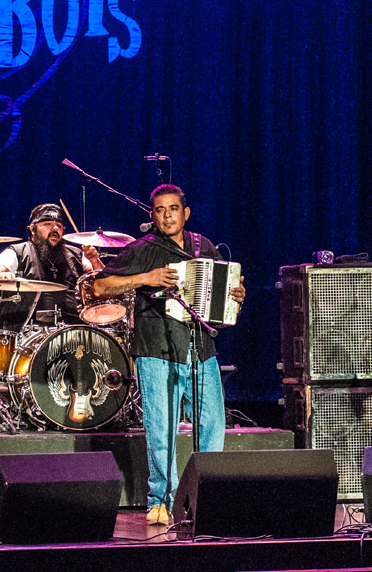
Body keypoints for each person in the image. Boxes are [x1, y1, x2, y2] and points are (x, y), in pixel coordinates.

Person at [91, 184, 246, 525]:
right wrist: (146, 277)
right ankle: (161, 498)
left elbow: (224, 294)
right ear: (153, 215)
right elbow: (99, 286)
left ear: (185, 213)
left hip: (199, 348)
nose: (167, 215)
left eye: (173, 209)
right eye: (160, 210)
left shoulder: (202, 246)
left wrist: (235, 294)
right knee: (162, 429)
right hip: (154, 349)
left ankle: (206, 492)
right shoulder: (143, 249)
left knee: (212, 426)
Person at [0, 203, 104, 330]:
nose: (54, 228)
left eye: (59, 225)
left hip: (75, 329)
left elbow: (105, 284)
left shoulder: (77, 254)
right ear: (32, 229)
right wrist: (3, 276)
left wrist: (94, 260)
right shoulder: (18, 252)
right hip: (29, 331)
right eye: (47, 224)